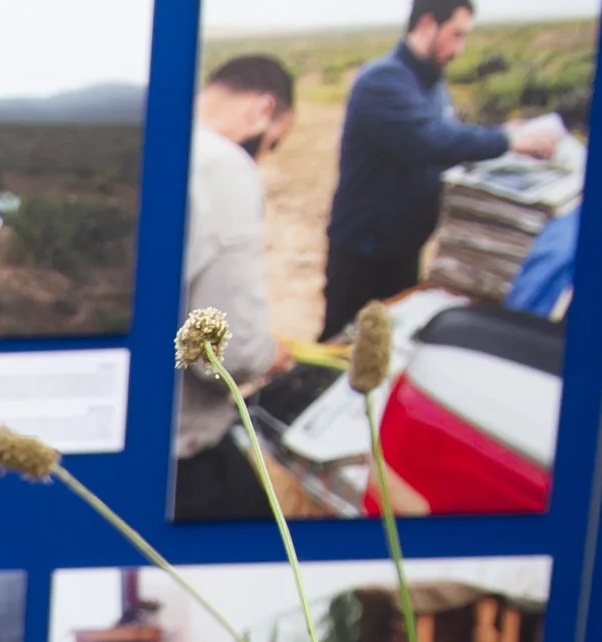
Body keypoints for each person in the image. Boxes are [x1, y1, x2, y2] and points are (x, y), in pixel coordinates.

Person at [322, 0, 564, 339]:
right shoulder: (384, 80)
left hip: (403, 244)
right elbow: (432, 140)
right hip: (365, 251)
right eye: (456, 35)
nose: (459, 49)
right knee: (343, 341)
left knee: (389, 338)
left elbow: (451, 136)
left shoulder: (430, 81)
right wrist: (509, 139)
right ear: (426, 24)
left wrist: (502, 134)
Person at [174, 55, 298, 522]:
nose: (261, 157)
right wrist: (268, 354)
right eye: (271, 144)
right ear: (263, 110)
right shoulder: (223, 166)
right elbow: (224, 353)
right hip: (178, 453)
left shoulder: (155, 140)